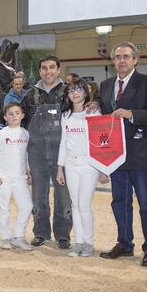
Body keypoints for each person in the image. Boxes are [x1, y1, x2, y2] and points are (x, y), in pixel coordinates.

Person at [98, 42, 147, 267]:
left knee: (146, 203)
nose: (122, 60)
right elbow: (103, 111)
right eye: (117, 57)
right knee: (120, 203)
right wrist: (92, 105)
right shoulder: (106, 85)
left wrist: (131, 114)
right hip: (115, 155)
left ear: (135, 59)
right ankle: (125, 244)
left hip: (140, 155)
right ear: (113, 60)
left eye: (126, 56)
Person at [21, 54, 97, 249]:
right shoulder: (30, 94)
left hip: (61, 151)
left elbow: (84, 105)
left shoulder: (67, 92)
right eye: (44, 68)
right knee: (38, 194)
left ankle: (63, 235)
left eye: (52, 67)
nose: (48, 71)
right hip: (36, 152)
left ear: (58, 70)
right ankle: (41, 233)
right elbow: (20, 123)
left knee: (64, 196)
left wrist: (95, 104)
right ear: (40, 71)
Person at [55, 78, 108, 257]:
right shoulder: (65, 116)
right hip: (70, 164)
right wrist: (60, 168)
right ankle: (78, 242)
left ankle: (88, 243)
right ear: (68, 95)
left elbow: (101, 144)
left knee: (84, 205)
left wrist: (102, 169)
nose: (75, 93)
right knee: (75, 205)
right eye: (71, 90)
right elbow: (63, 143)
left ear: (86, 92)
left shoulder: (94, 114)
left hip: (89, 165)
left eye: (79, 89)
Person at [0, 102, 33, 251]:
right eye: (11, 114)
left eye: (17, 113)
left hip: (20, 179)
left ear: (22, 115)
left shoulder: (25, 133)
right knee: (3, 208)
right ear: (5, 117)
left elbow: (25, 154)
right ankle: (5, 237)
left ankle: (18, 237)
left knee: (27, 206)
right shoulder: (1, 133)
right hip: (3, 178)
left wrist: (28, 170)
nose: (14, 116)